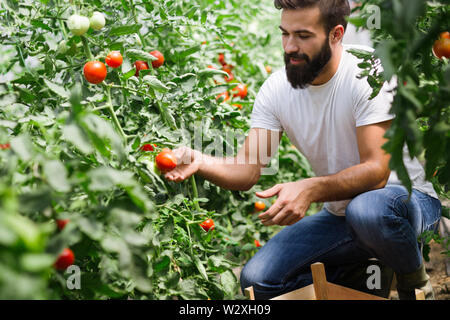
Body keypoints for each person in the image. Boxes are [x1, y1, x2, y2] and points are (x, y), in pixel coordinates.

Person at [163, 0, 442, 300]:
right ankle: (362, 272)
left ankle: (413, 280)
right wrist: (200, 159)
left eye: (303, 36)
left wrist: (310, 188)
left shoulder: (369, 74)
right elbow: (248, 169)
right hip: (342, 216)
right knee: (256, 280)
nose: (290, 47)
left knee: (369, 211)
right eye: (285, 34)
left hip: (405, 203)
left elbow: (377, 173)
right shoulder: (276, 90)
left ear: (336, 34)